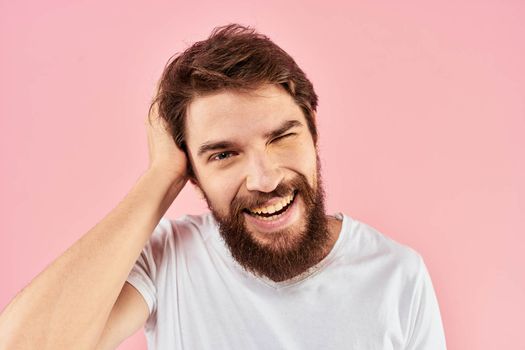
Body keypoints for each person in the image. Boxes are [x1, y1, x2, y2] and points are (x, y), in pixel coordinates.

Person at [0, 23, 446, 349]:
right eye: (223, 154)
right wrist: (160, 177)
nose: (265, 178)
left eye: (281, 136)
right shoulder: (167, 261)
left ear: (313, 132)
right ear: (192, 171)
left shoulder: (398, 276)